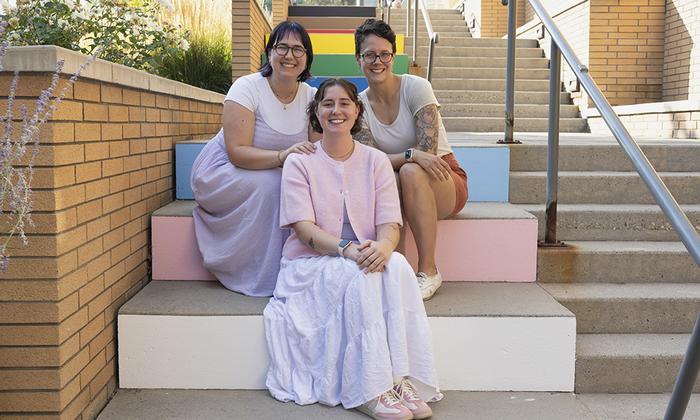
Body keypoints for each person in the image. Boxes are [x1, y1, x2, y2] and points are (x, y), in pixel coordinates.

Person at [264, 78, 442, 420]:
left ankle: (399, 378)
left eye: (344, 103)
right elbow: (304, 230)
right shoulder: (301, 162)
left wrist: (385, 248)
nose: (336, 111)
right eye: (327, 104)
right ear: (316, 112)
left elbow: (390, 223)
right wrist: (346, 249)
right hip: (310, 263)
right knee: (361, 276)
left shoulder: (375, 161)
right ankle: (369, 389)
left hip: (362, 254)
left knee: (399, 266)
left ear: (357, 111)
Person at [190, 21, 320, 296]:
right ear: (269, 53)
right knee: (273, 186)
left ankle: (302, 263)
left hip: (277, 169)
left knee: (302, 185)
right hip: (223, 169)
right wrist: (283, 156)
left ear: (307, 57)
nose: (289, 55)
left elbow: (317, 150)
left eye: (298, 49)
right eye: (282, 47)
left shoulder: (311, 96)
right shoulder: (247, 87)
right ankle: (260, 274)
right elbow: (237, 152)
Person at [353, 19, 468, 301]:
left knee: (410, 172)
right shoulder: (358, 106)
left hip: (444, 179)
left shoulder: (416, 87)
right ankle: (397, 270)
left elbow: (428, 153)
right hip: (397, 183)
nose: (378, 61)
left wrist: (411, 157)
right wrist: (410, 154)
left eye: (384, 54)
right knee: (390, 176)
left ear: (393, 57)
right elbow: (372, 161)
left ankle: (429, 270)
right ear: (358, 59)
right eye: (370, 55)